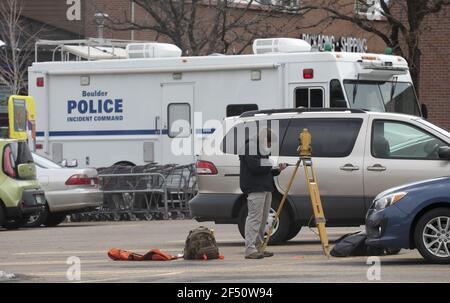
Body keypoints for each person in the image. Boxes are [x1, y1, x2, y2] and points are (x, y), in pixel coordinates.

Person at [239, 127, 287, 259]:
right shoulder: (250, 147)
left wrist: (277, 169)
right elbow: (255, 166)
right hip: (255, 188)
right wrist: (271, 164)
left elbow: (264, 169)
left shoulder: (260, 149)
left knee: (263, 219)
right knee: (254, 218)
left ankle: (259, 247)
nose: (270, 146)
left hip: (265, 187)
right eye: (270, 142)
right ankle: (250, 249)